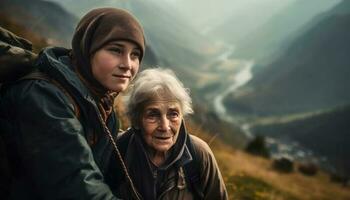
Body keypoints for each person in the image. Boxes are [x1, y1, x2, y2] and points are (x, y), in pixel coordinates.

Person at [0, 7, 145, 199]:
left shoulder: (101, 103)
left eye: (135, 54)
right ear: (87, 48)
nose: (128, 64)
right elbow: (77, 185)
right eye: (116, 50)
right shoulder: (43, 96)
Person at [109, 68, 228, 200]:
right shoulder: (117, 149)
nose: (165, 127)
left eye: (173, 114)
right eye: (153, 115)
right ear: (136, 120)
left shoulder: (199, 154)